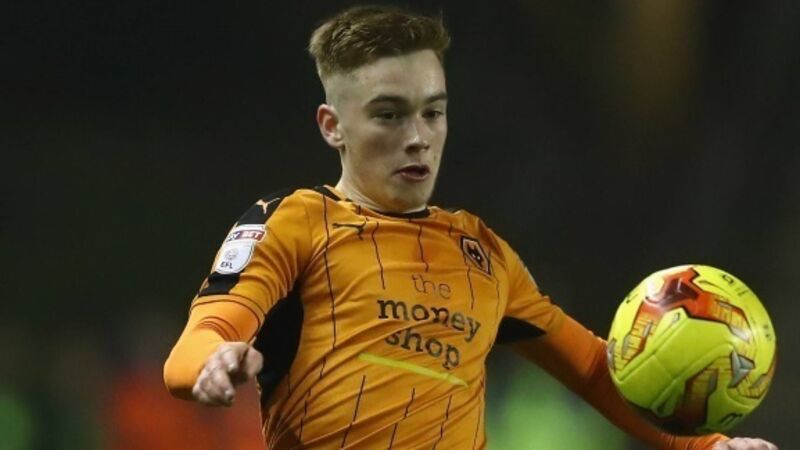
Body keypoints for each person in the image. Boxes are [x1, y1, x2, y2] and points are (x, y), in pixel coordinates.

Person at [163, 5, 778, 449]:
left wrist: (707, 445)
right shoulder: (295, 222)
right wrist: (210, 365)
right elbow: (197, 344)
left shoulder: (481, 252)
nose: (418, 137)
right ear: (333, 126)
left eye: (433, 113)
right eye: (389, 115)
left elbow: (595, 368)